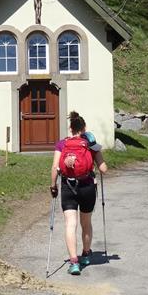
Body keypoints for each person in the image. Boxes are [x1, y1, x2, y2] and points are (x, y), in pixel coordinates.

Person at [50, 111, 107, 275]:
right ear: (84, 128)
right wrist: (95, 161)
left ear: (70, 128)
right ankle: (86, 254)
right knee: (86, 222)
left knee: (70, 224)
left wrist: (53, 186)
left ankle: (73, 262)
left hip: (68, 187)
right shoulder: (90, 144)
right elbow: (104, 169)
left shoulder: (62, 144)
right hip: (87, 187)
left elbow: (55, 168)